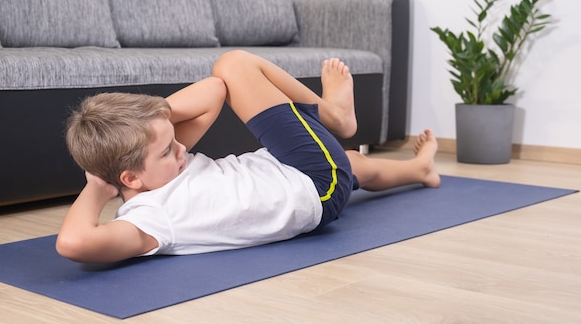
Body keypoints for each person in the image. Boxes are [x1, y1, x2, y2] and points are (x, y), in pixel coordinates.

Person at [57, 50, 440, 263]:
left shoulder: (156, 167)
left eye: (174, 140)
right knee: (234, 63)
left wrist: (146, 120)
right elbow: (73, 244)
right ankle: (334, 115)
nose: (181, 148)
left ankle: (418, 170)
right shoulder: (150, 220)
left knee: (354, 161)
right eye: (168, 149)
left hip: (285, 171)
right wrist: (95, 189)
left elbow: (212, 93)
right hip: (315, 183)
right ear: (129, 180)